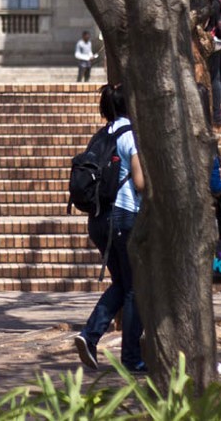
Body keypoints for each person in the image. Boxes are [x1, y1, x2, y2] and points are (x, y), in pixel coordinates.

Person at [73, 83, 146, 374]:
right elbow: (140, 183)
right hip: (125, 218)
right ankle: (131, 358)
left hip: (99, 221)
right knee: (136, 289)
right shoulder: (130, 136)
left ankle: (89, 336)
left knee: (123, 283)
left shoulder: (101, 135)